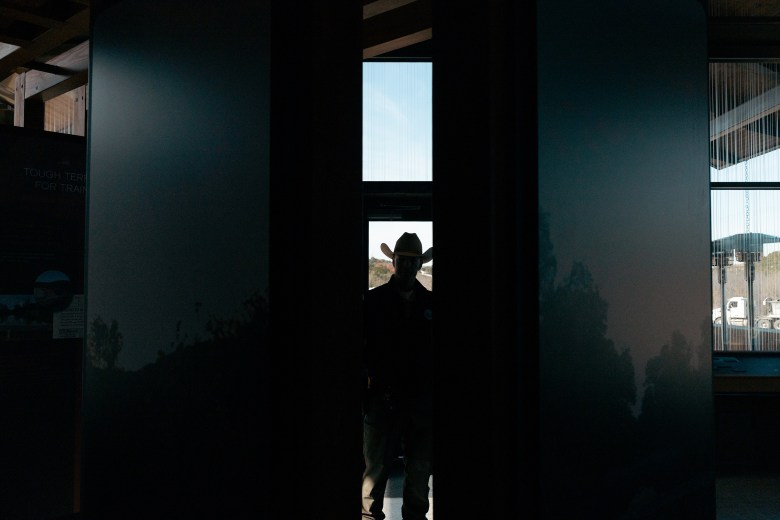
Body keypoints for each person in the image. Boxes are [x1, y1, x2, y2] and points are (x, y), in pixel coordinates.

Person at [362, 232, 433, 520]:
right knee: (376, 481)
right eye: (403, 261)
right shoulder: (374, 301)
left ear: (417, 265)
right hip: (385, 402)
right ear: (394, 262)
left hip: (415, 405)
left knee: (414, 479)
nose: (406, 267)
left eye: (411, 262)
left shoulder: (374, 301)